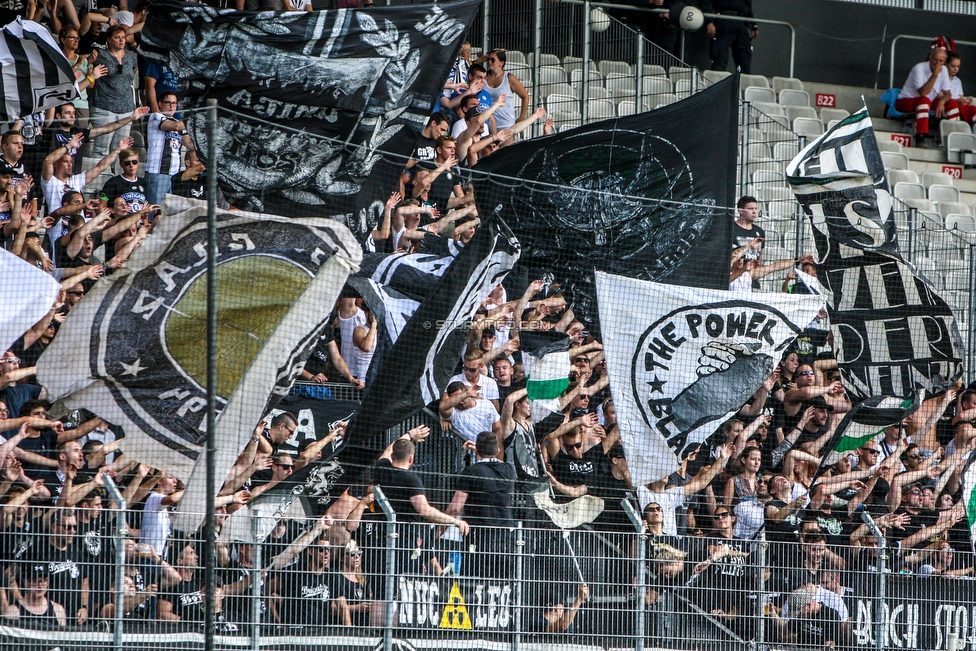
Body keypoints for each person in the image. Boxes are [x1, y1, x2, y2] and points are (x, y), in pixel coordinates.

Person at [446, 431, 516, 576]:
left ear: (477, 450)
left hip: (479, 537)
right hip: (505, 539)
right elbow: (497, 463)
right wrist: (481, 450)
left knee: (474, 583)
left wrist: (439, 528)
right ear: (497, 451)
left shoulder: (471, 472)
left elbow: (455, 508)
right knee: (501, 584)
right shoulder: (509, 471)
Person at [88, 25, 139, 157]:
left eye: (123, 37)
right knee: (101, 149)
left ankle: (116, 177)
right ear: (109, 40)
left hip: (126, 108)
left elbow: (133, 71)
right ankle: (98, 178)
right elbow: (89, 71)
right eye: (117, 37)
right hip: (104, 106)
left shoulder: (131, 56)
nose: (121, 40)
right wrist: (89, 63)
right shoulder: (100, 54)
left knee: (121, 150)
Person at [896, 47, 953, 147]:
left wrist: (942, 102)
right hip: (905, 101)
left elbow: (948, 93)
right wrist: (935, 74)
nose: (937, 63)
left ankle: (951, 138)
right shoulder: (919, 68)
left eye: (941, 61)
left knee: (952, 104)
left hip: (927, 101)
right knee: (924, 100)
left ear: (944, 62)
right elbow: (923, 92)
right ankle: (921, 136)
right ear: (930, 58)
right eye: (935, 59)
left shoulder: (943, 70)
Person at [145, 91, 191, 205]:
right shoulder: (155, 116)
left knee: (170, 213)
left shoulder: (179, 123)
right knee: (156, 210)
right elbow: (175, 126)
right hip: (158, 172)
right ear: (160, 104)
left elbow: (189, 144)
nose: (171, 106)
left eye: (174, 103)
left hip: (175, 173)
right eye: (168, 103)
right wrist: (194, 116)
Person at [701, 0, 757, 74]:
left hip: (741, 22)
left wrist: (753, 25)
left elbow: (747, 6)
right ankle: (716, 83)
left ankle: (743, 84)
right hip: (724, 19)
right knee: (720, 59)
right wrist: (709, 21)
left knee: (744, 60)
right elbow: (707, 2)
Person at [483, 50, 528, 136]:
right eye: (488, 59)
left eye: (492, 60)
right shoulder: (483, 77)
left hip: (505, 123)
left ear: (501, 63)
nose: (489, 62)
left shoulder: (509, 78)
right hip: (486, 123)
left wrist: (522, 116)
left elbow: (525, 96)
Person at [945, 52, 976, 125]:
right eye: (953, 66)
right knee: (955, 106)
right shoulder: (941, 78)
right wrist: (958, 101)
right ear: (946, 64)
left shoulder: (958, 81)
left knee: (973, 108)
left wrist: (965, 101)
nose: (955, 69)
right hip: (949, 104)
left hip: (960, 104)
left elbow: (961, 96)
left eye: (958, 67)